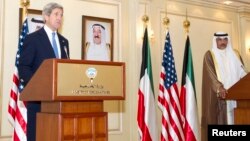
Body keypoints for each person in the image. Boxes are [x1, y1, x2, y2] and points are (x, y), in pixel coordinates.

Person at [18, 2, 70, 141]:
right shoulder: (33, 39)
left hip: (59, 104)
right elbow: (23, 67)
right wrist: (39, 87)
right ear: (46, 16)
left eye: (61, 15)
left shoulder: (64, 42)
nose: (59, 18)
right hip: (38, 102)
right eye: (56, 14)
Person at [201, 32, 247, 141]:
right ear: (215, 41)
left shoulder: (235, 54)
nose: (223, 42)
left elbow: (242, 72)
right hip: (221, 98)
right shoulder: (210, 55)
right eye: (219, 39)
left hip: (237, 99)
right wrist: (219, 87)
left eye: (225, 39)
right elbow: (210, 74)